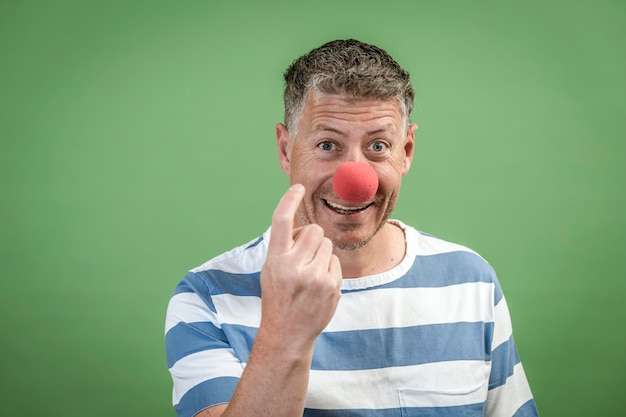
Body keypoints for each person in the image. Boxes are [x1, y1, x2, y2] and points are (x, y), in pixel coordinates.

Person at [165, 39, 539, 417]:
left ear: (405, 152)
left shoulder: (471, 281)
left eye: (378, 146)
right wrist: (285, 332)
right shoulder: (206, 298)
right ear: (285, 149)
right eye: (328, 144)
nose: (355, 179)